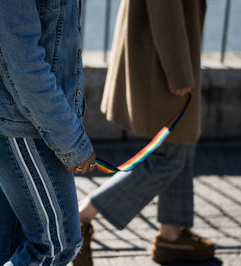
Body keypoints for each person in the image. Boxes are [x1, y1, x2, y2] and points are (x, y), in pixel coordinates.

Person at [0, 0, 96, 265]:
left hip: (15, 115)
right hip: (15, 119)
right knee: (57, 244)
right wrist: (71, 141)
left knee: (6, 239)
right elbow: (20, 60)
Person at [73, 0, 214, 265]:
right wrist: (179, 72)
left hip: (158, 55)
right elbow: (165, 8)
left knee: (180, 144)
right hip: (161, 62)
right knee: (171, 154)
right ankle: (81, 216)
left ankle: (172, 236)